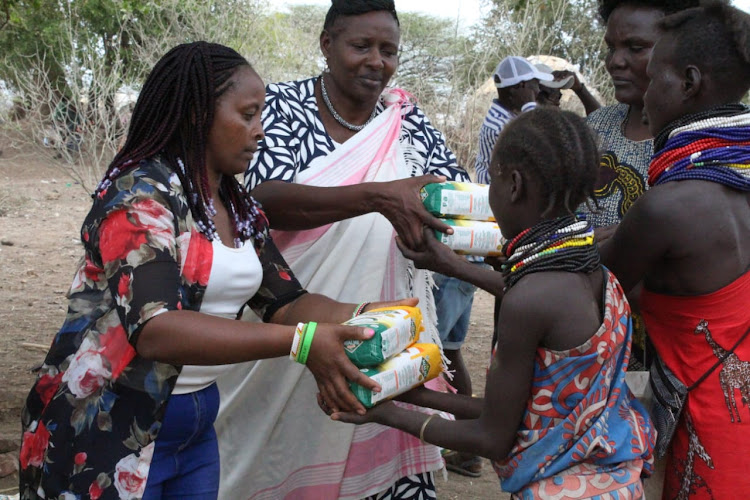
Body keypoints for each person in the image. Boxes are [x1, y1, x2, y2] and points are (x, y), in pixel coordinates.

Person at [17, 41, 403, 500]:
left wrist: (364, 316)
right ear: (198, 113)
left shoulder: (234, 206)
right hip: (110, 424)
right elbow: (157, 328)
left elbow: (285, 303)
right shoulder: (141, 197)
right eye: (247, 115)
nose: (260, 131)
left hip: (196, 424)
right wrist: (301, 344)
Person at [330, 107, 656, 498]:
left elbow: (493, 437)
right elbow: (529, 413)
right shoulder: (596, 274)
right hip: (615, 484)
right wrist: (418, 396)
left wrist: (384, 413)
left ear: (514, 185)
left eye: (493, 181)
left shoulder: (528, 301)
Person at [216, 1, 471, 498]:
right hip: (288, 320)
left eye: (388, 50)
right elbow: (255, 201)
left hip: (385, 328)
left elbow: (454, 199)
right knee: (280, 447)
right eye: (361, 46)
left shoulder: (406, 120)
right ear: (327, 44)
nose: (376, 61)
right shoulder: (282, 107)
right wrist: (377, 197)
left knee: (383, 436)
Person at [600, 2, 750, 497]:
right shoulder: (731, 183)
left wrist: (460, 263)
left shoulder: (666, 208)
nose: (645, 88)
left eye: (654, 72)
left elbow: (589, 283)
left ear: (687, 82)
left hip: (713, 435)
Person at [473, 56, 552, 185]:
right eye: (536, 84)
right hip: (494, 200)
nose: (538, 91)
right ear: (522, 85)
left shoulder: (511, 115)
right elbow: (540, 147)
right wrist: (529, 103)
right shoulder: (498, 125)